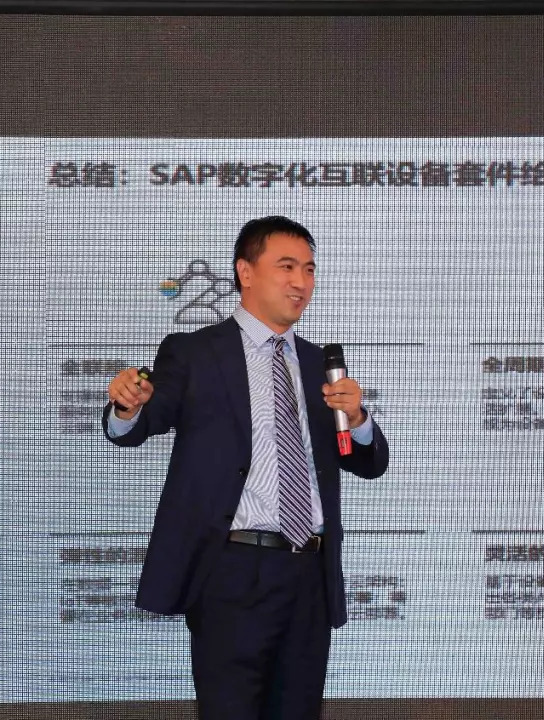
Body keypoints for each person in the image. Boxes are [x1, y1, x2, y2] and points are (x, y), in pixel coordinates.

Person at [102, 216, 390, 720]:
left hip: (309, 574)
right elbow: (138, 424)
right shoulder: (196, 352)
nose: (301, 282)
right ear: (246, 272)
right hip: (233, 572)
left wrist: (360, 419)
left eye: (309, 269)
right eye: (287, 267)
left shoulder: (318, 364)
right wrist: (127, 406)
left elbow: (367, 462)